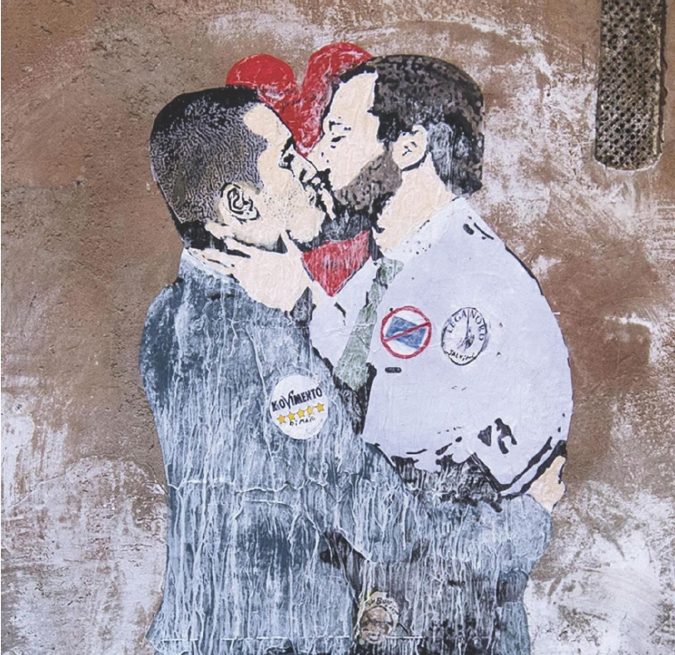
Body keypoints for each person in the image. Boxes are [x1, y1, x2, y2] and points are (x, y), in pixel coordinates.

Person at [141, 86, 425, 655]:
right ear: (241, 205)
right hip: (281, 633)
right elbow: (381, 519)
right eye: (289, 159)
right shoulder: (267, 345)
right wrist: (518, 518)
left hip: (196, 629)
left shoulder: (166, 317)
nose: (311, 170)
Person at [304, 55, 572, 654]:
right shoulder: (381, 273)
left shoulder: (482, 286)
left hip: (448, 625)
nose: (318, 156)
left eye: (338, 135)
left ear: (408, 147)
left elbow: (518, 501)